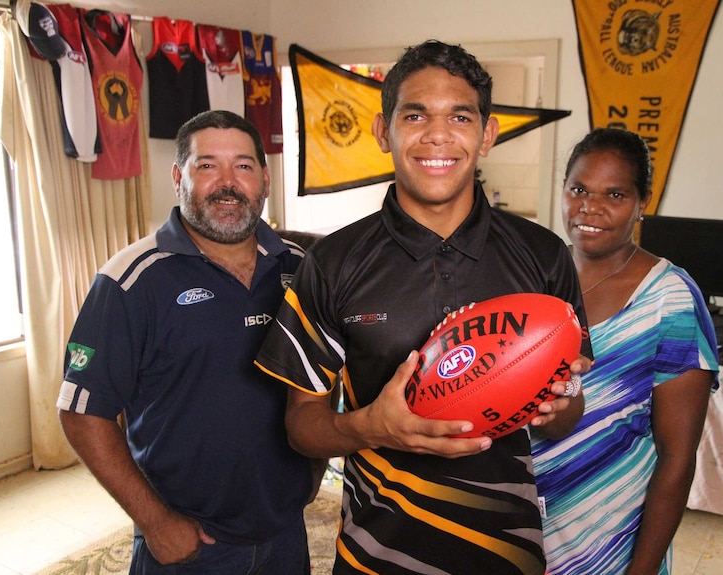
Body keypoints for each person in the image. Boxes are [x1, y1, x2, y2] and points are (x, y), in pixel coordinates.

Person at [254, 40, 593, 575]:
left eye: (460, 116)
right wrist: (370, 428)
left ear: (487, 134)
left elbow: (569, 408)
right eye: (415, 115)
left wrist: (558, 403)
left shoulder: (545, 255)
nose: (438, 134)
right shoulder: (333, 263)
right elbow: (301, 426)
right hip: (377, 554)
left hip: (505, 552)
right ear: (382, 132)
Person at [56, 110, 321, 573]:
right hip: (189, 541)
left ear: (264, 179)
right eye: (207, 166)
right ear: (179, 176)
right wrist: (154, 521)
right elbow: (82, 411)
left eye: (243, 166)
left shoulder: (300, 268)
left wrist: (314, 469)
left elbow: (321, 375)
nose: (227, 182)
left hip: (285, 529)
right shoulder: (130, 281)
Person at [530, 127, 719, 575]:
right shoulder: (539, 277)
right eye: (579, 189)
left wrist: (642, 570)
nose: (589, 208)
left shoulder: (669, 298)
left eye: (614, 194)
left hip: (608, 535)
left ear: (642, 202)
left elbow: (677, 457)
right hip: (524, 525)